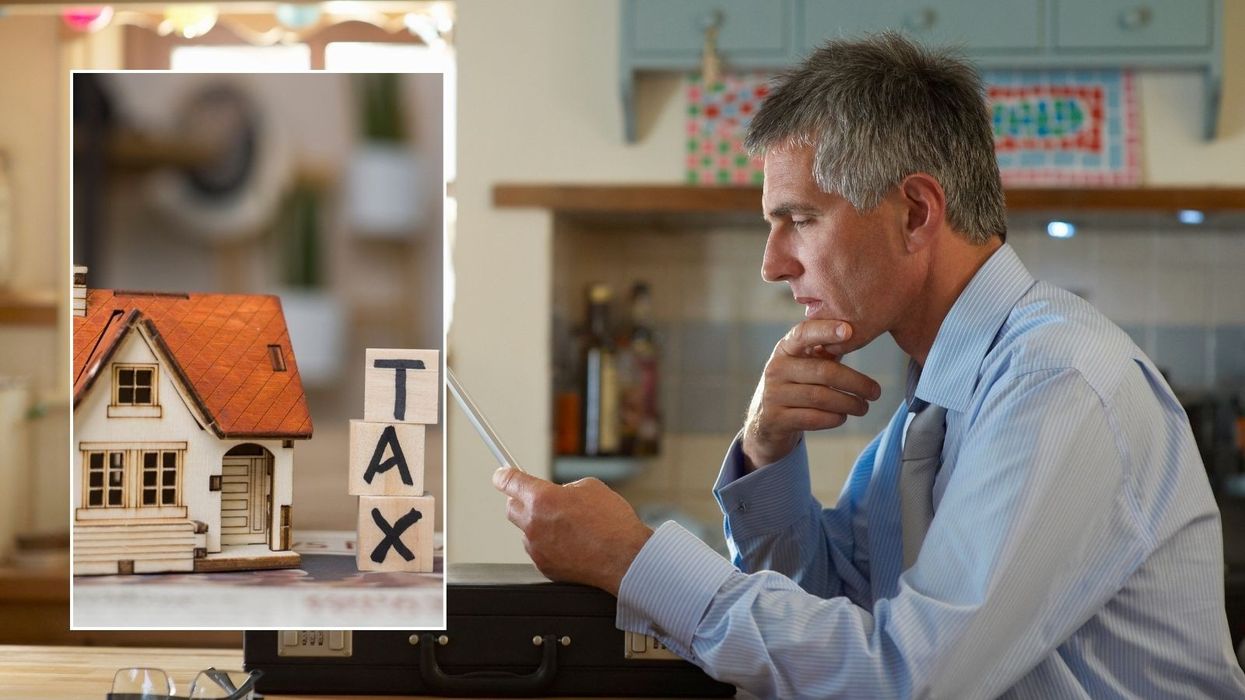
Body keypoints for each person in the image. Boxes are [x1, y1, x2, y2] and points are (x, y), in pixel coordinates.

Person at [493, 32, 1245, 698]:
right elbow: (826, 608)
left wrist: (631, 559)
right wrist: (765, 451)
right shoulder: (937, 394)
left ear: (915, 213)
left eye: (800, 219)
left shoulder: (1056, 382)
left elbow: (902, 676)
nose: (771, 265)